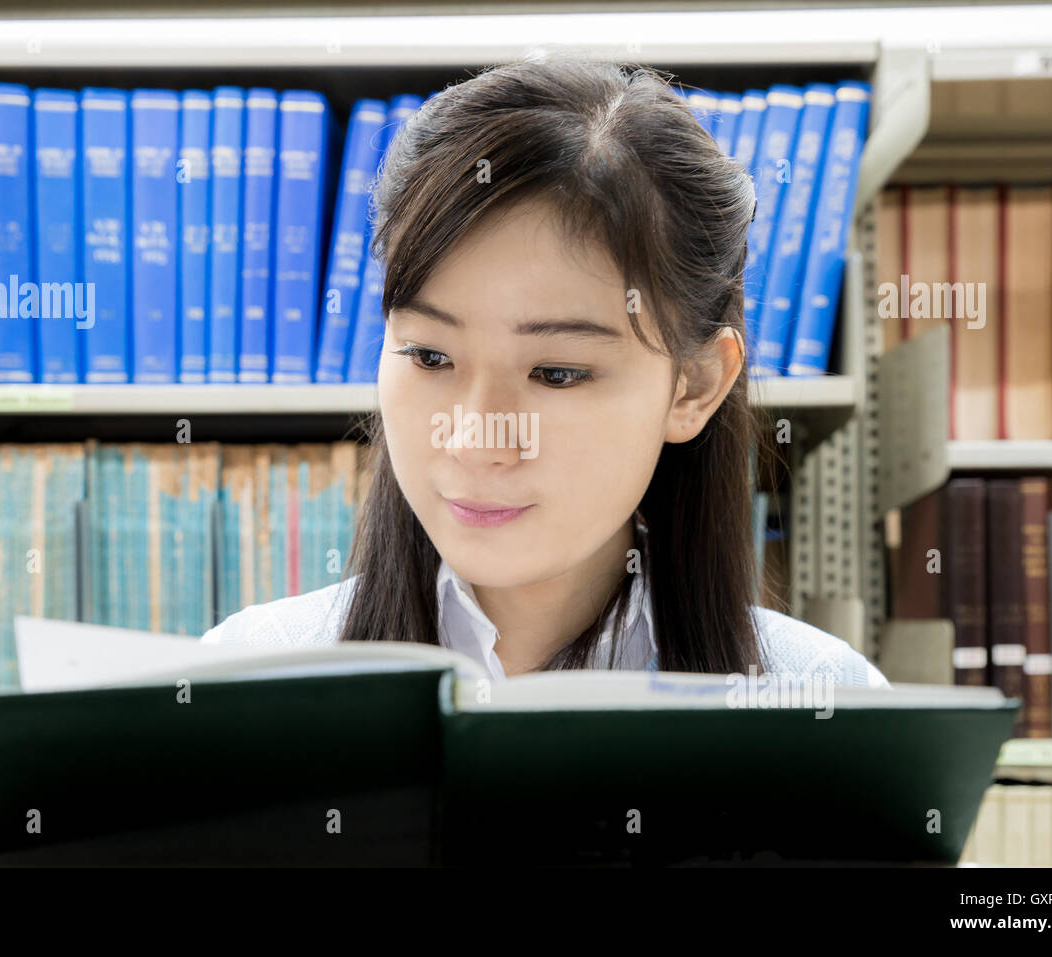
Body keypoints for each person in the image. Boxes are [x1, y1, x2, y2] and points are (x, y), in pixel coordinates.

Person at [202, 54, 889, 690]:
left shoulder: (821, 699)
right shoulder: (244, 681)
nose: (475, 438)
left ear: (697, 383)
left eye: (556, 373)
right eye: (430, 356)